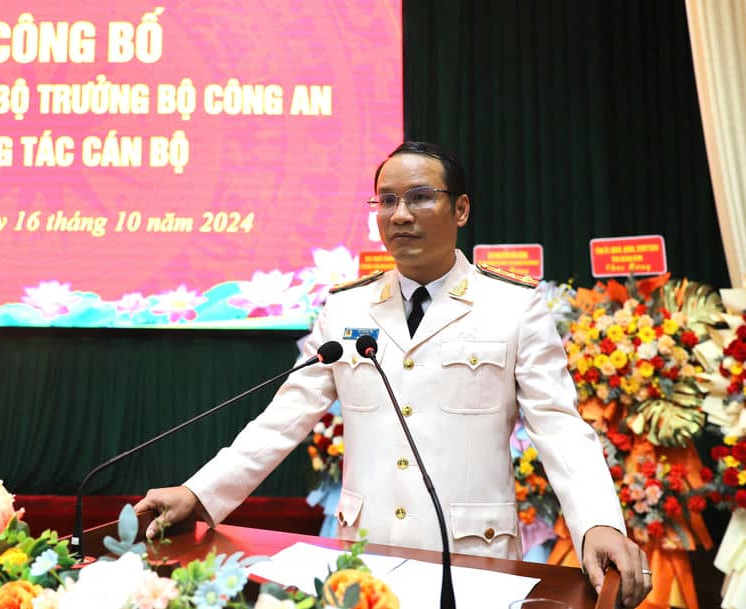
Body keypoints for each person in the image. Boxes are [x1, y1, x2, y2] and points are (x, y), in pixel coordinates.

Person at [135, 141, 651, 607]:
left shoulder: (513, 307)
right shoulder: (345, 309)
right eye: (386, 201)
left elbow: (560, 427)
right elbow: (281, 421)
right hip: (365, 558)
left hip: (473, 560)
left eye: (420, 197)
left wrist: (598, 525)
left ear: (462, 209)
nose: (400, 214)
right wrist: (199, 494)